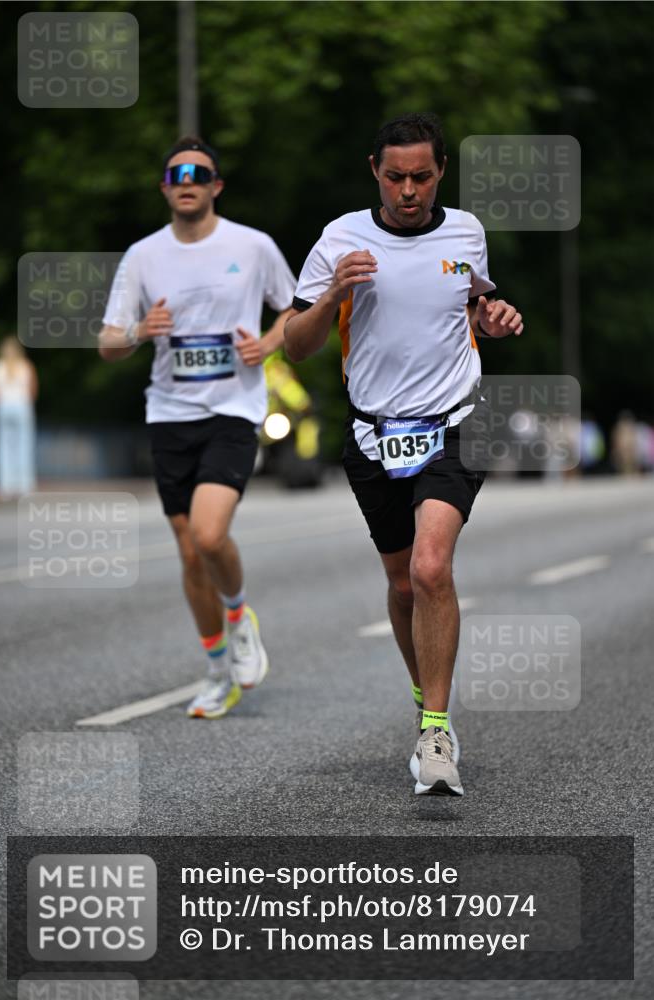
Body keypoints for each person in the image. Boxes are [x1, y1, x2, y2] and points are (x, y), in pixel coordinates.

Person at [285, 113, 523, 796]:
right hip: (371, 433)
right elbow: (295, 345)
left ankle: (436, 733)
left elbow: (474, 303)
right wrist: (333, 292)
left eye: (421, 176)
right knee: (399, 586)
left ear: (440, 171)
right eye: (395, 177)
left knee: (429, 566)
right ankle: (426, 699)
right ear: (374, 172)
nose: (409, 190)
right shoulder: (339, 238)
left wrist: (495, 315)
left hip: (453, 421)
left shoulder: (465, 232)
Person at [99, 136, 296, 719]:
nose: (187, 180)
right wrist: (138, 332)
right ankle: (217, 672)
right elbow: (107, 341)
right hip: (169, 415)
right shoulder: (142, 256)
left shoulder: (252, 246)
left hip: (233, 409)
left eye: (199, 172)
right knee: (189, 556)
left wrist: (268, 343)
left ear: (216, 186)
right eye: (176, 173)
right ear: (164, 187)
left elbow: (297, 307)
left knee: (210, 536)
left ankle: (239, 616)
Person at [0, 337, 38, 498]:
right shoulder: (26, 365)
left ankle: (6, 487)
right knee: (24, 446)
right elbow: (33, 390)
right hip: (22, 407)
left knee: (3, 448)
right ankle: (25, 486)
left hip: (3, 408)